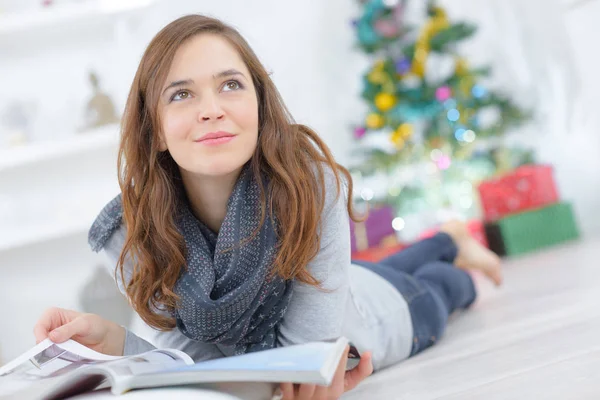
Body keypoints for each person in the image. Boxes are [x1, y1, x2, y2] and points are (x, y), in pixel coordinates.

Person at [33, 15, 502, 400]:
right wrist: (114, 341)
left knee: (450, 284)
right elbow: (195, 375)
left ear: (259, 103)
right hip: (354, 283)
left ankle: (454, 246)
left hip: (388, 313)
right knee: (397, 264)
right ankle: (452, 239)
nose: (211, 109)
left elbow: (290, 369)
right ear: (154, 128)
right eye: (181, 94)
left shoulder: (310, 185)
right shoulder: (133, 233)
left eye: (230, 85)